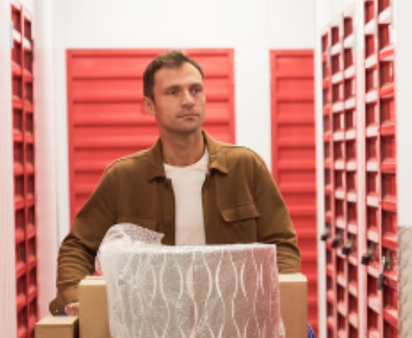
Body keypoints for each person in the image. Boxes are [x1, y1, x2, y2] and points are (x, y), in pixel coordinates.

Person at [51, 50, 300, 315]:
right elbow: (77, 247)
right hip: (151, 330)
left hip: (232, 325)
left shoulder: (246, 167)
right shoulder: (123, 178)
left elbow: (282, 244)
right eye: (173, 92)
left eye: (196, 90)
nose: (188, 101)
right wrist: (76, 298)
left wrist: (274, 302)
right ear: (150, 105)